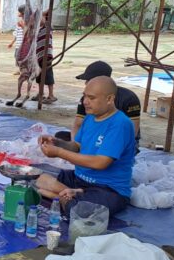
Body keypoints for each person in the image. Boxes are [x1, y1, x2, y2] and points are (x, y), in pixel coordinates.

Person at [36, 77, 135, 216]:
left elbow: (100, 163)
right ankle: (71, 193)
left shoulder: (120, 124)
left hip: (108, 189)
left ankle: (62, 195)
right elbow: (76, 146)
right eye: (84, 96)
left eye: (91, 98)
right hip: (79, 179)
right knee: (35, 177)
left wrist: (59, 152)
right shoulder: (90, 118)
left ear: (109, 99)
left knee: (77, 210)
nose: (85, 102)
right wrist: (56, 142)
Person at [55, 61, 141, 151]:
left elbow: (132, 133)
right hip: (95, 135)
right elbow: (77, 125)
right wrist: (75, 146)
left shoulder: (128, 99)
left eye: (88, 80)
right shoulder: (85, 99)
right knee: (60, 138)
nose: (85, 83)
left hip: (118, 139)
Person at [35, 10, 56, 103]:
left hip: (46, 56)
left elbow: (45, 13)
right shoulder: (38, 29)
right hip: (38, 56)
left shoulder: (47, 27)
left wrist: (42, 13)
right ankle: (41, 93)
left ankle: (51, 95)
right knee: (39, 75)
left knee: (47, 75)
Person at [8, 6, 24, 75]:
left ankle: (23, 70)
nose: (18, 13)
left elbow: (28, 32)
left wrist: (22, 26)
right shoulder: (19, 22)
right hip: (18, 44)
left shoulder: (28, 22)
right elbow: (16, 33)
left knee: (23, 57)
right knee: (17, 56)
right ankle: (19, 70)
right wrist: (12, 42)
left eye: (19, 11)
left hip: (24, 44)